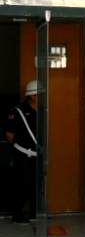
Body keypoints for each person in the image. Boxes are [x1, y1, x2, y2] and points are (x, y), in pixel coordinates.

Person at [5, 81, 38, 224]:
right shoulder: (17, 111)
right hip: (22, 154)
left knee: (36, 184)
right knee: (23, 183)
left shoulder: (42, 111)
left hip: (37, 154)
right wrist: (20, 149)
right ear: (34, 96)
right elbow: (9, 134)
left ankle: (35, 213)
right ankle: (17, 214)